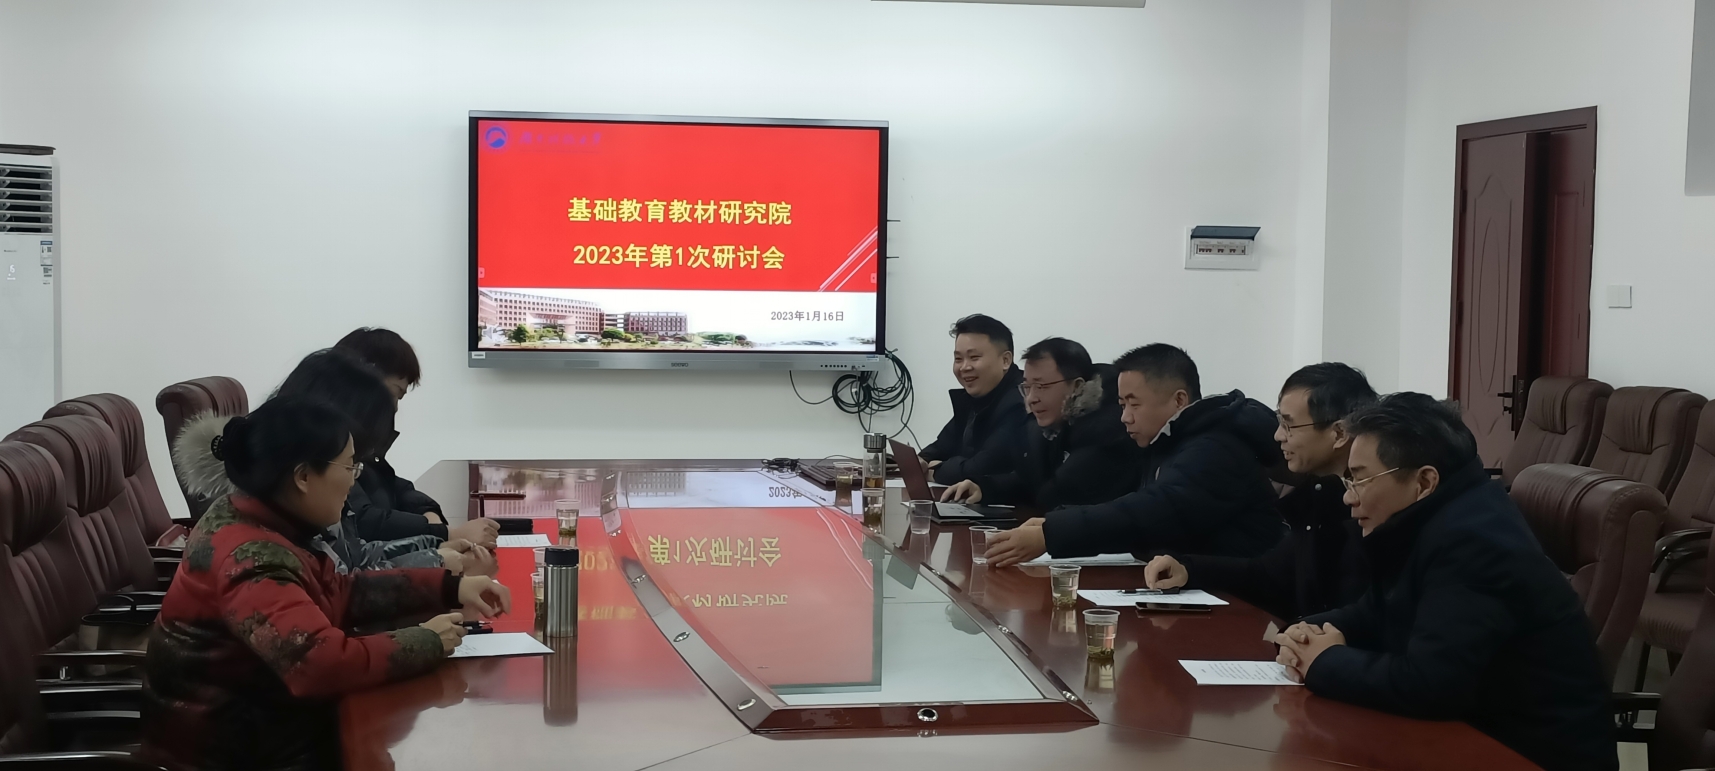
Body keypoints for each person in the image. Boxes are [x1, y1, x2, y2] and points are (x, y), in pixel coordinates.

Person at [141, 396, 512, 771]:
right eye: (349, 466)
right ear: (303, 477)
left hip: (272, 724)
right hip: (236, 752)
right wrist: (428, 640)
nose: (354, 480)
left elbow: (339, 591)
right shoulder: (250, 558)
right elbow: (319, 664)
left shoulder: (264, 520)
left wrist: (449, 587)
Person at [1273, 393, 1616, 771]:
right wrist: (1306, 633)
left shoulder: (1475, 545)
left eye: (1361, 479)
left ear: (1424, 480)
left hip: (1527, 755)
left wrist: (1324, 662)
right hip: (1474, 737)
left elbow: (1429, 685)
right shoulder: (1431, 518)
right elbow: (1377, 610)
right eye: (1348, 479)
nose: (1349, 498)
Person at [985, 343, 1284, 567]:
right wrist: (1053, 522)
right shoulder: (1167, 441)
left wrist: (1052, 532)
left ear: (1179, 400)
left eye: (1134, 404)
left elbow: (1154, 511)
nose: (1124, 417)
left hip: (1241, 600)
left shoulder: (1215, 448)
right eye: (1121, 404)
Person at [1143, 363, 1376, 621]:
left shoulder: (1373, 508)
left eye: (1289, 425)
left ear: (1339, 433)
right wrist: (1187, 569)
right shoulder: (1321, 494)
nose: (1278, 436)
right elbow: (1267, 575)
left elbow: (1365, 616)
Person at [277, 347, 499, 559]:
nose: (353, 481)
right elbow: (358, 550)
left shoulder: (308, 519)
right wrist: (442, 539)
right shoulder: (278, 556)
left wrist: (437, 554)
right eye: (350, 467)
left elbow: (357, 559)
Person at [942, 337, 1140, 510]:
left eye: (1041, 386)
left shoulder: (1106, 430)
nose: (1031, 399)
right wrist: (984, 489)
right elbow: (1031, 480)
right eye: (1027, 387)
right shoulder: (1051, 424)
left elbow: (1056, 494)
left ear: (1077, 386)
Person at [333, 328, 463, 540]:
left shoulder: (358, 440)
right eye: (394, 394)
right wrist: (442, 533)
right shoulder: (326, 438)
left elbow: (390, 484)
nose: (394, 408)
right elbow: (361, 520)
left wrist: (428, 511)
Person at [918, 314, 1029, 486]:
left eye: (974, 357)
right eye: (958, 359)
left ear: (1005, 360)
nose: (964, 367)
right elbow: (941, 446)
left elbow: (983, 467)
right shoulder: (975, 396)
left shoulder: (1020, 401)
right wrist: (922, 460)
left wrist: (935, 471)